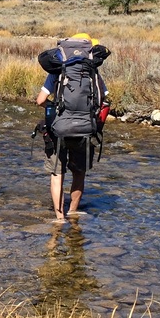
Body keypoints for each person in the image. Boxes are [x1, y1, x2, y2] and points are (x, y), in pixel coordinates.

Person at [35, 33, 109, 219]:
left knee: (57, 173)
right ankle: (73, 211)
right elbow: (104, 102)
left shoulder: (57, 71)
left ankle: (60, 218)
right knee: (78, 172)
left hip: (58, 130)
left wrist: (54, 107)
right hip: (85, 129)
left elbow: (40, 100)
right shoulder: (92, 73)